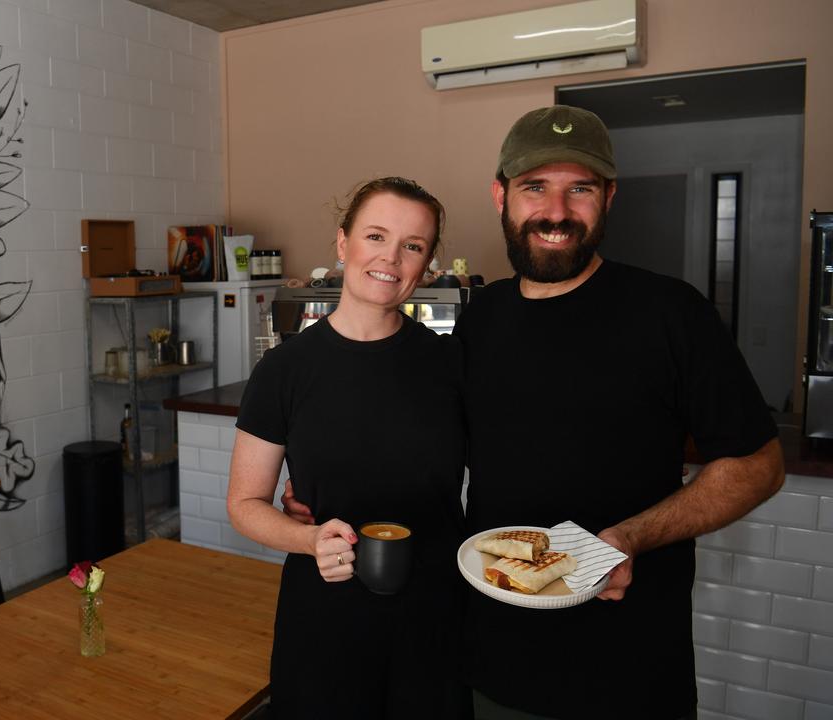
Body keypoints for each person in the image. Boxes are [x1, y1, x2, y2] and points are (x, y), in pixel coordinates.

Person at [284, 106, 784, 719]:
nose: (556, 212)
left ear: (609, 197)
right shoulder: (483, 318)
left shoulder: (671, 314)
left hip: (629, 670)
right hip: (492, 662)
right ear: (502, 195)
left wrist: (628, 538)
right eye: (534, 188)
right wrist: (332, 482)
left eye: (580, 189)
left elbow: (759, 465)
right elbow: (436, 441)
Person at [227, 177, 471, 718]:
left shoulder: (451, 366)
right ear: (343, 244)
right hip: (323, 617)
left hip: (433, 619)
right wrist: (308, 537)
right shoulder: (283, 371)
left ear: (428, 265)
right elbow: (244, 505)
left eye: (413, 246)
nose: (391, 258)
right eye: (376, 236)